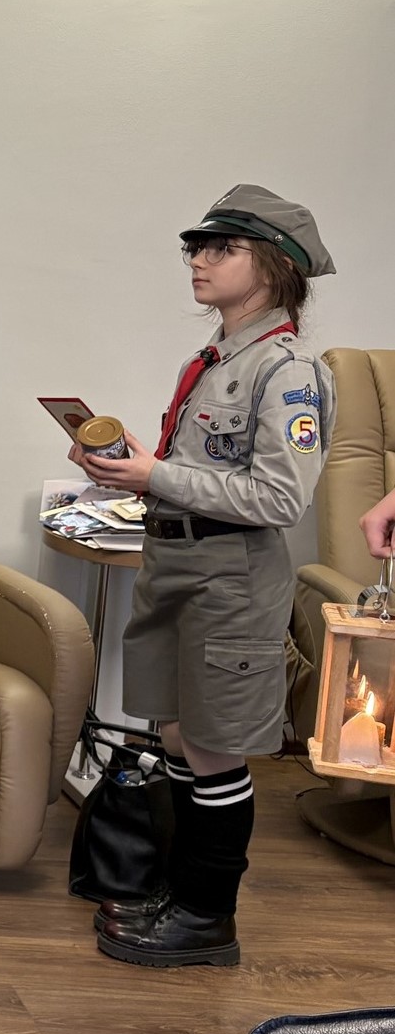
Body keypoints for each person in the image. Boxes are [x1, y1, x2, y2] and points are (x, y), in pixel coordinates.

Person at [71, 185, 336, 969]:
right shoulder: (215, 360)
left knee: (216, 749)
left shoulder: (285, 372)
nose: (198, 259)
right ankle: (178, 894)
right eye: (195, 246)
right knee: (182, 738)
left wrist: (152, 475)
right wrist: (129, 471)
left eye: (219, 247)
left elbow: (280, 496)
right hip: (178, 562)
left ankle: (207, 919)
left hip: (229, 574)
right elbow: (195, 471)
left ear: (273, 267)